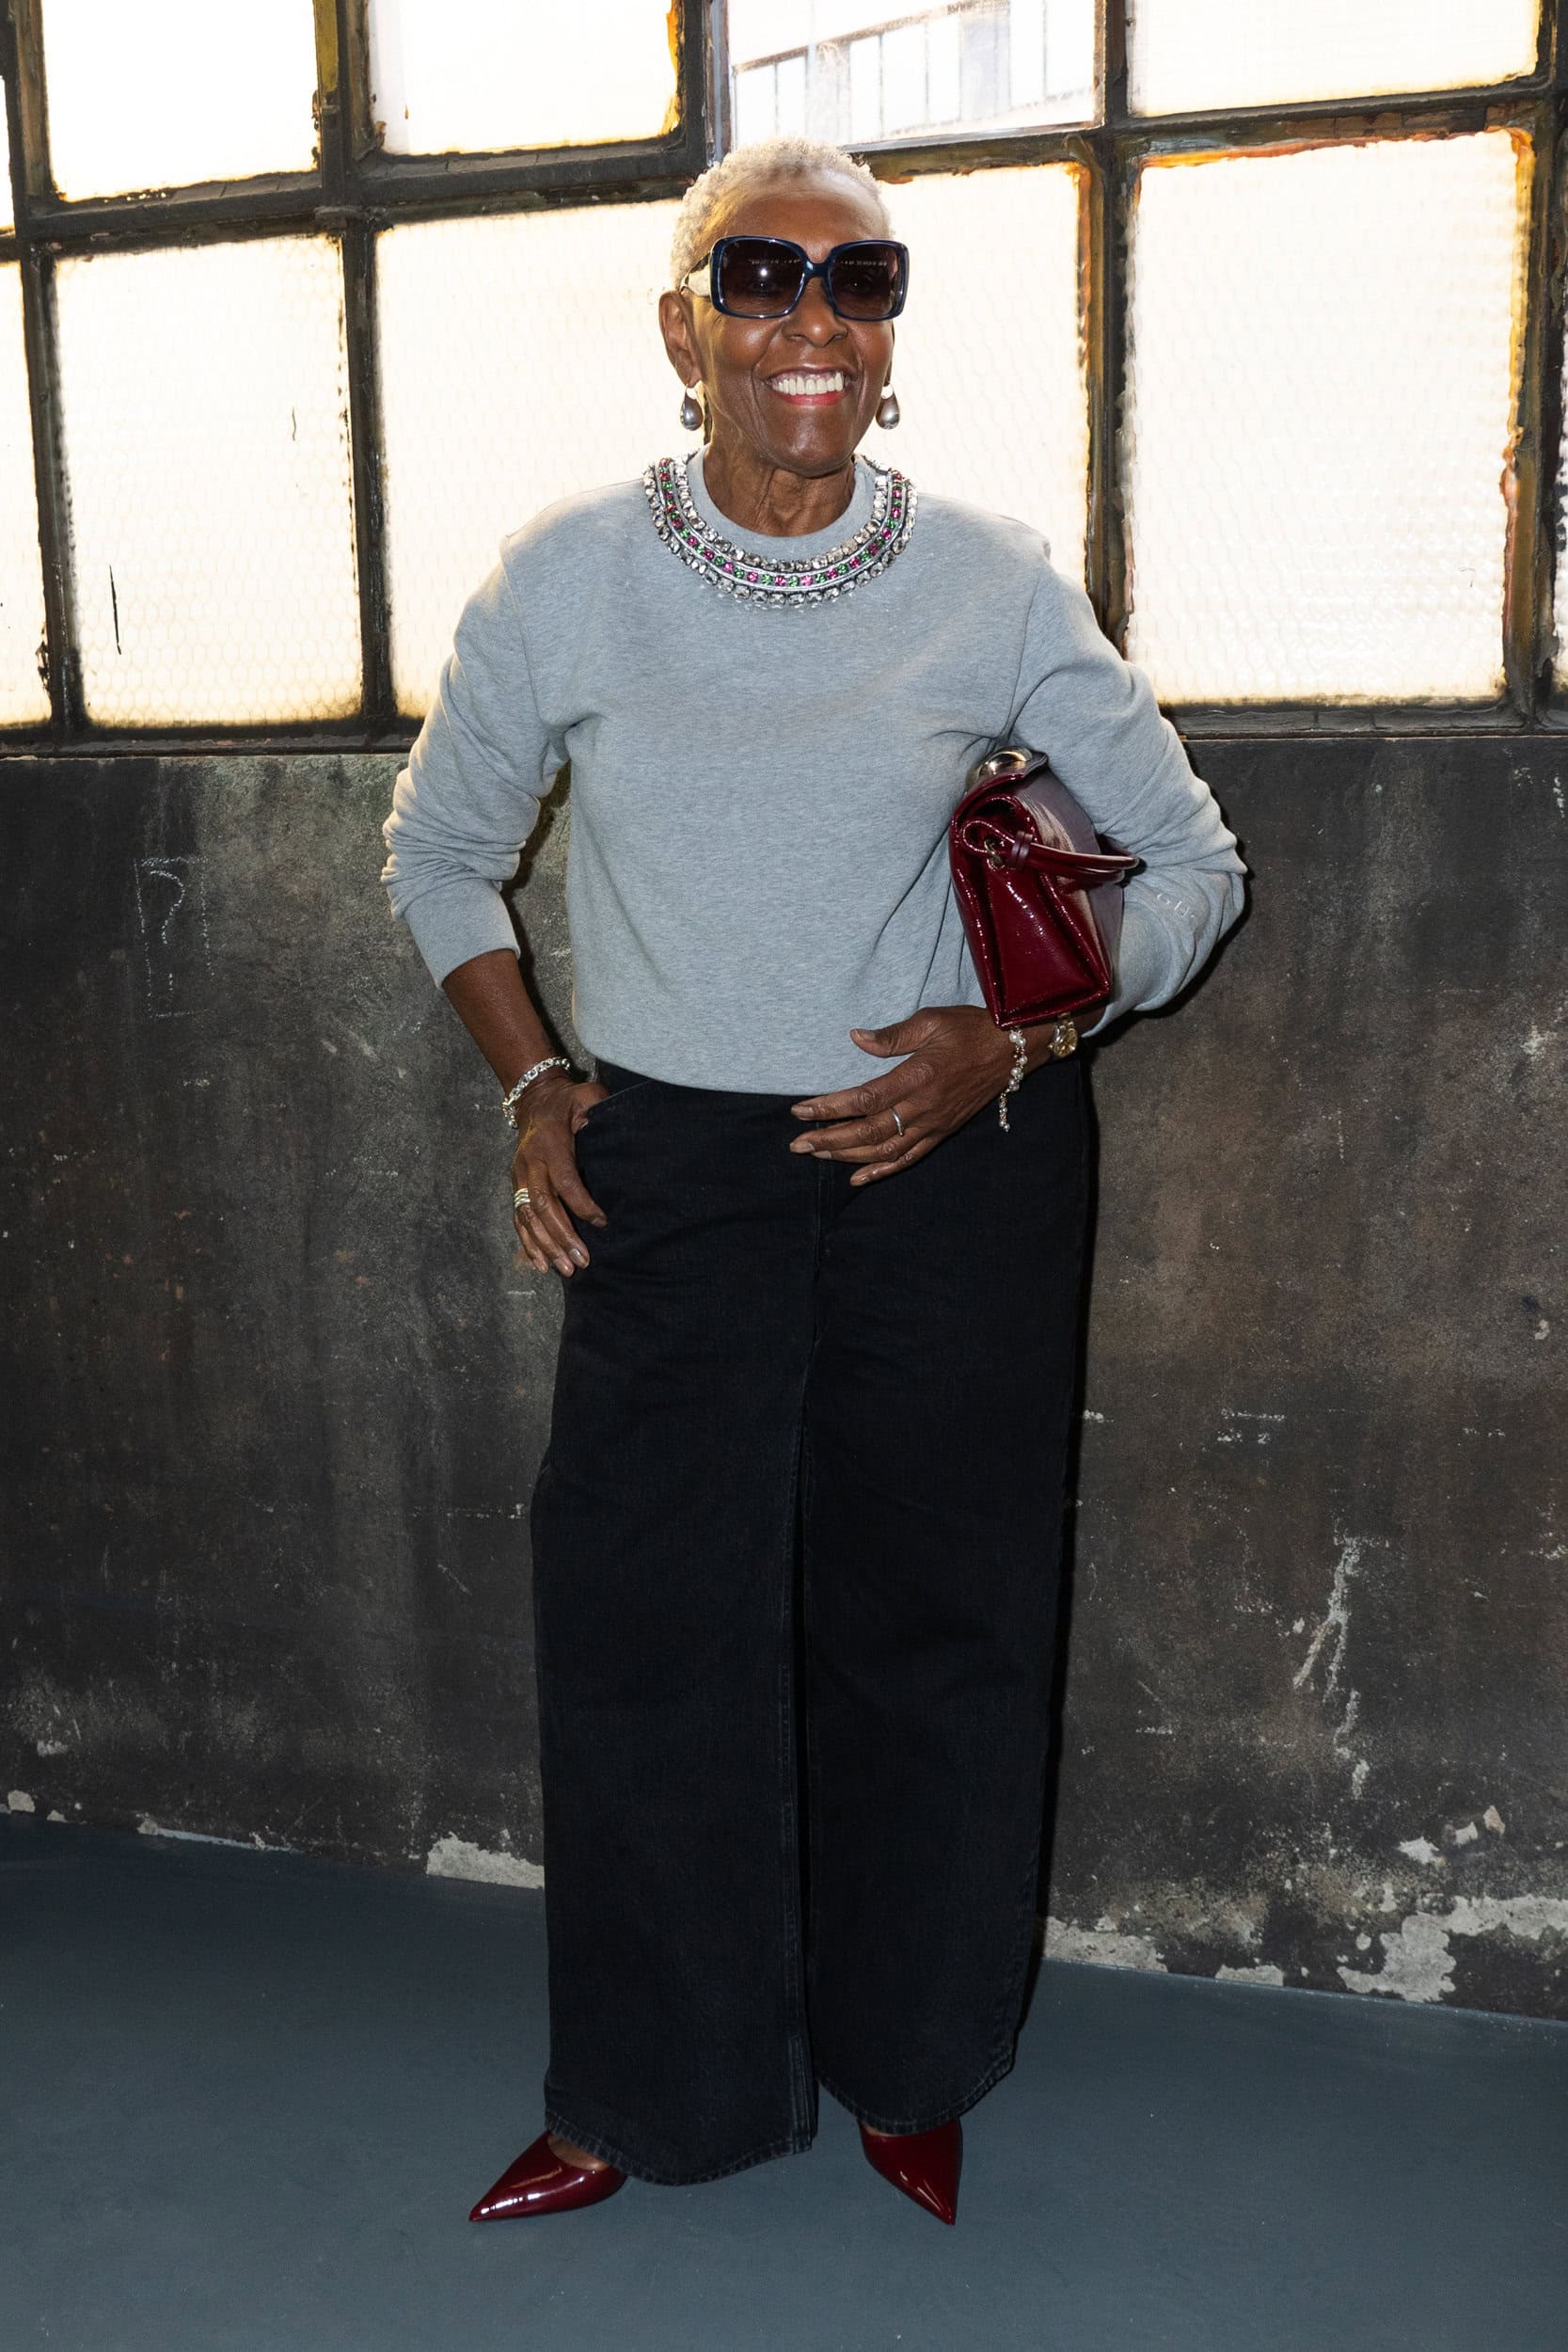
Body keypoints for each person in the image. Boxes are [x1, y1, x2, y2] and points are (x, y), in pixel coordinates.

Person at [381, 133, 1244, 2228]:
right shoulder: (565, 574)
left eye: (859, 283)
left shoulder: (998, 579)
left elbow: (1195, 867)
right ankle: (643, 2088)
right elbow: (439, 853)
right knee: (645, 1625)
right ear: (682, 327)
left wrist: (1017, 1042)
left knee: (936, 1624)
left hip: (953, 1167)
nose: (810, 323)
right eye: (757, 278)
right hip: (673, 1170)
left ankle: (910, 2056)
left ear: (889, 331)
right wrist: (533, 1085)